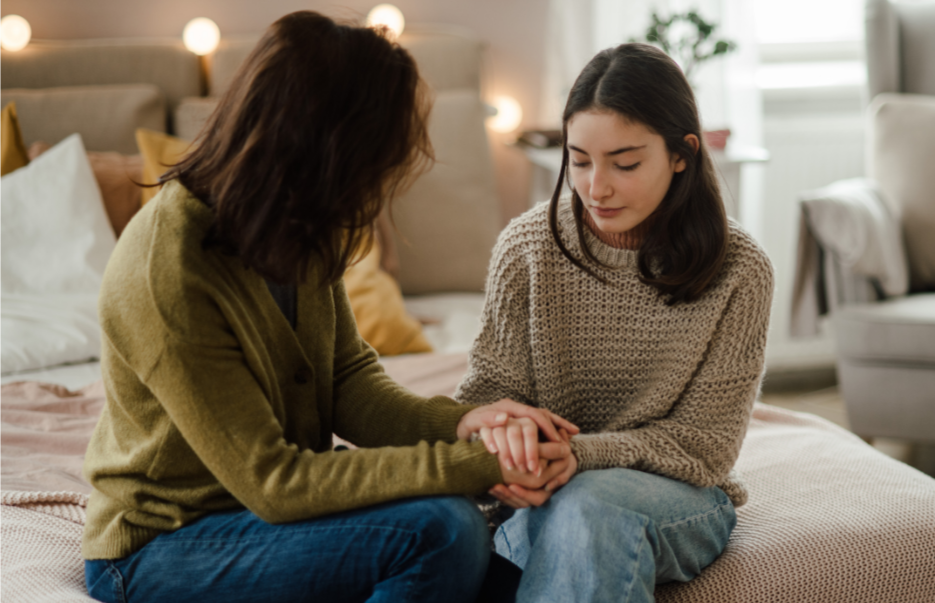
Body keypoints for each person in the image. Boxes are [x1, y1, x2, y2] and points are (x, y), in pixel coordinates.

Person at [81, 12, 578, 603]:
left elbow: (347, 383)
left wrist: (465, 425)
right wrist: (477, 466)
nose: (377, 189)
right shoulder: (168, 269)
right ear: (323, 151)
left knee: (520, 588)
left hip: (272, 519)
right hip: (163, 542)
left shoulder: (298, 227)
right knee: (443, 531)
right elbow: (275, 482)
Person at [455, 42, 775, 603]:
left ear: (682, 154)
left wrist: (581, 456)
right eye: (579, 161)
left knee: (588, 507)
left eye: (625, 164)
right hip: (544, 487)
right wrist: (511, 441)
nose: (595, 187)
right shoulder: (527, 248)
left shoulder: (741, 270)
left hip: (679, 494)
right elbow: (488, 398)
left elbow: (705, 447)